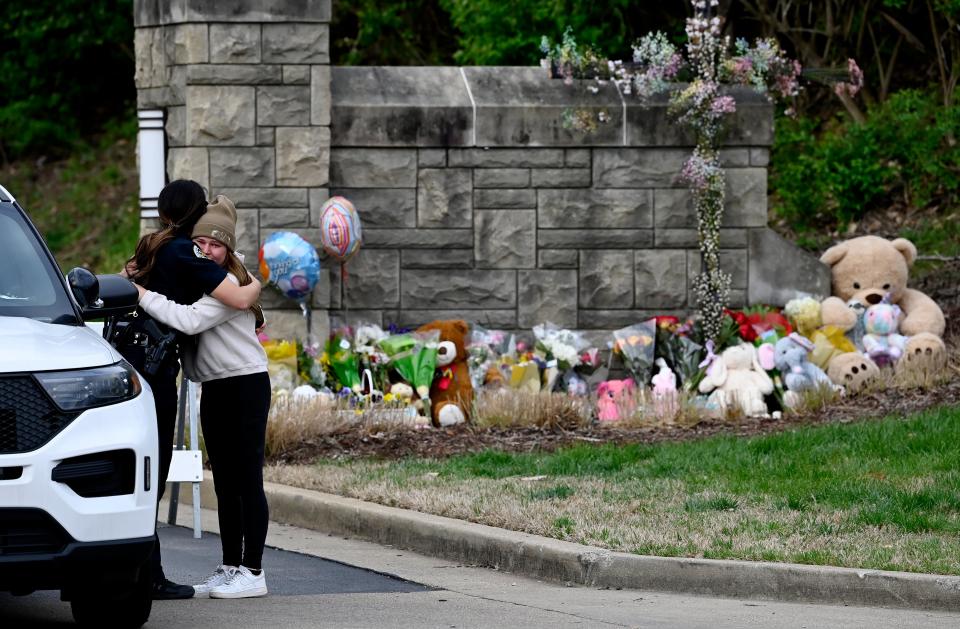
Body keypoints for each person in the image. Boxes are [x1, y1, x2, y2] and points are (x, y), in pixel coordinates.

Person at [122, 180, 261, 600]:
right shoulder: (202, 273)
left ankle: (253, 571)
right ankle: (230, 566)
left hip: (246, 382)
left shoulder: (228, 281)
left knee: (247, 479)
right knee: (224, 482)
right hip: (213, 385)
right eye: (200, 240)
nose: (207, 249)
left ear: (228, 247)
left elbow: (189, 320)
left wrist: (140, 291)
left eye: (215, 244)